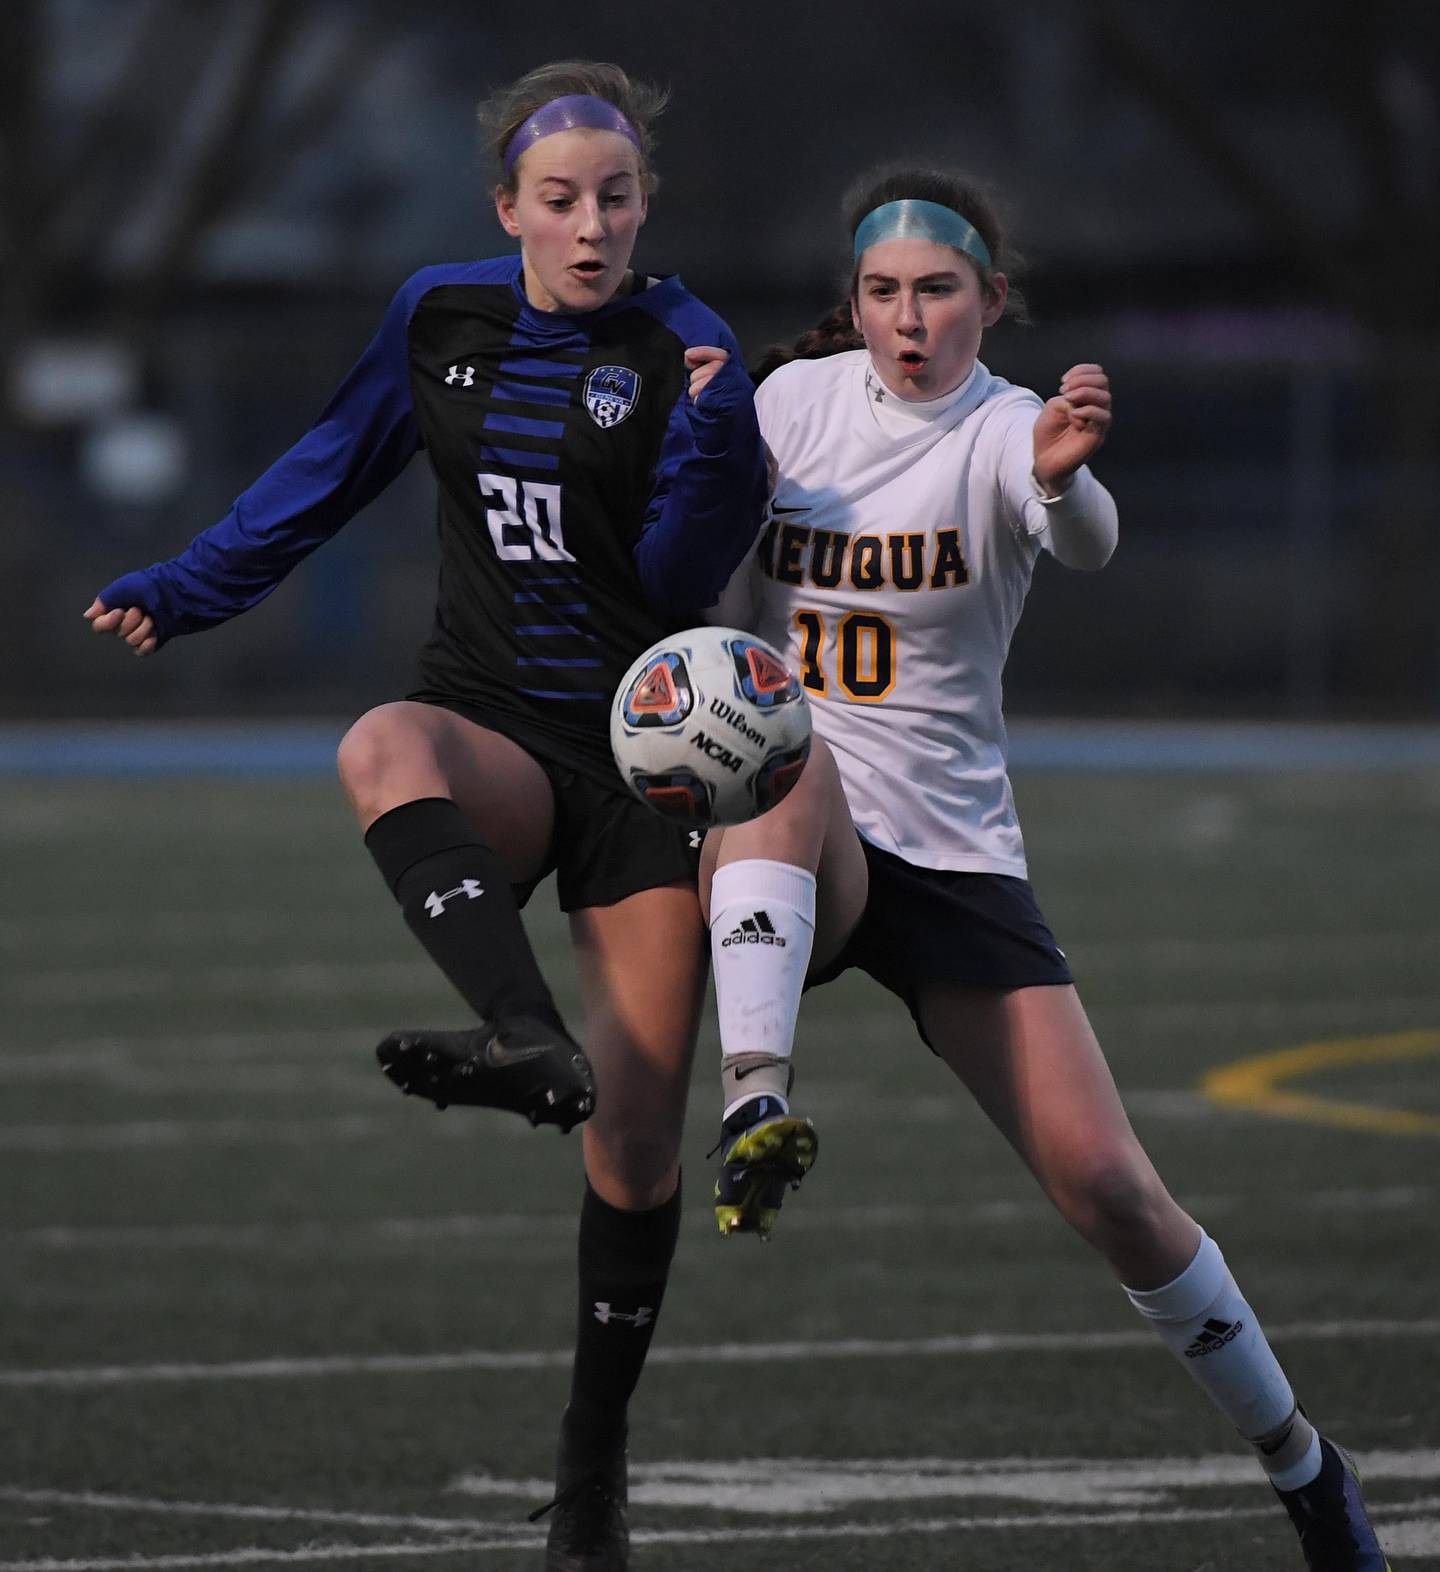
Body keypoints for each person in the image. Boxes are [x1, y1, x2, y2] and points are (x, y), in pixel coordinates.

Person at [84, 60, 767, 1572]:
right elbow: (323, 474)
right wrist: (184, 588)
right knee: (382, 740)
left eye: (618, 197)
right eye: (560, 199)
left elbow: (676, 580)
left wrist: (721, 443)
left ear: (647, 204)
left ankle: (592, 1476)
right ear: (507, 210)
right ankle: (524, 1036)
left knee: (643, 1140)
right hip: (494, 727)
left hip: (646, 763)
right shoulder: (438, 315)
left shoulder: (690, 345)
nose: (591, 226)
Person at [700, 165, 1390, 1570]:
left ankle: (1305, 1467)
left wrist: (1070, 475)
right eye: (884, 292)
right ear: (852, 305)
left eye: (939, 291)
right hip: (789, 840)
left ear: (991, 301)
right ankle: (753, 1103)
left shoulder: (1013, 425)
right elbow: (703, 586)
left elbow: (1084, 533)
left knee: (1115, 1188)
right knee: (780, 752)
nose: (909, 319)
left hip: (949, 858)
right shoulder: (785, 410)